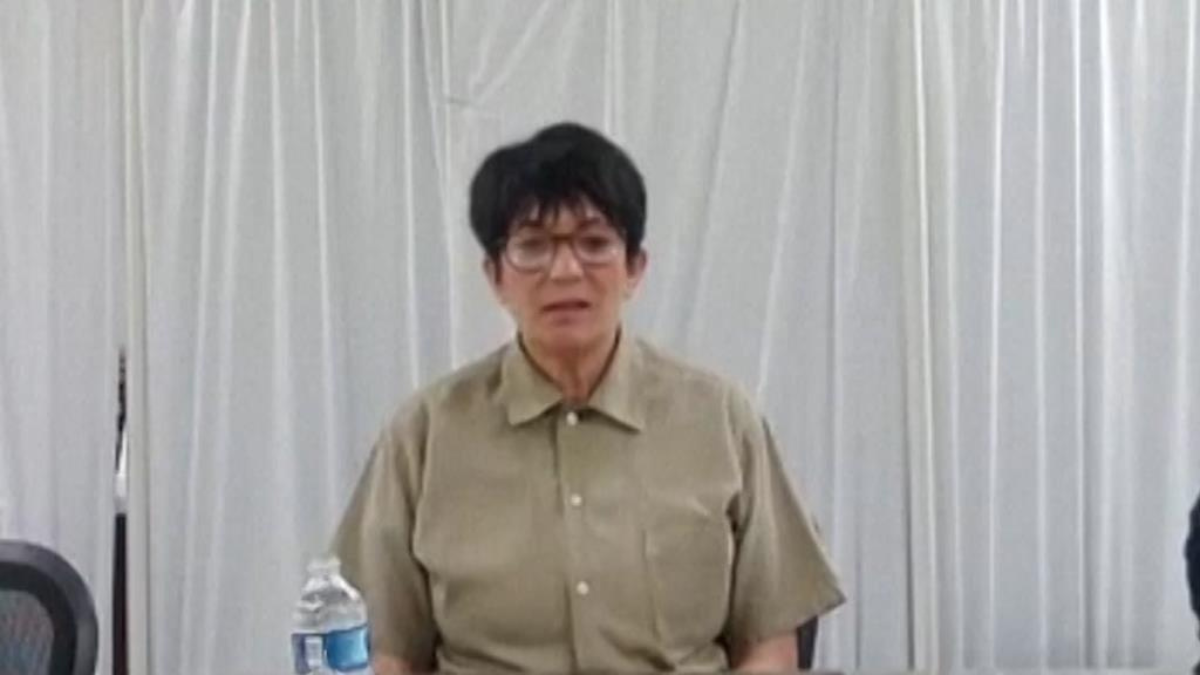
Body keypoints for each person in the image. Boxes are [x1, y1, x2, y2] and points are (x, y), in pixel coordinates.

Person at [332, 122, 844, 674]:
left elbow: (770, 643)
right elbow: (384, 651)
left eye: (594, 243)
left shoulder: (720, 420)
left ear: (635, 268)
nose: (565, 270)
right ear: (495, 277)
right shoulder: (424, 435)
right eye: (532, 246)